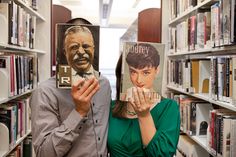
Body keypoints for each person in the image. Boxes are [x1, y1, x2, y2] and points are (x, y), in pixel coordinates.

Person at [30, 18, 111, 157]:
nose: (80, 52)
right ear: (64, 51)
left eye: (86, 46)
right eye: (74, 47)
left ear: (94, 48)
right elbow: (44, 153)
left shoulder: (104, 84)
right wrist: (79, 112)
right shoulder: (45, 92)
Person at [108, 43, 180, 157]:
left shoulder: (169, 107)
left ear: (156, 71)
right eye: (133, 72)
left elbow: (162, 154)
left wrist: (144, 116)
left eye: (146, 72)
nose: (139, 80)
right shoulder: (112, 107)